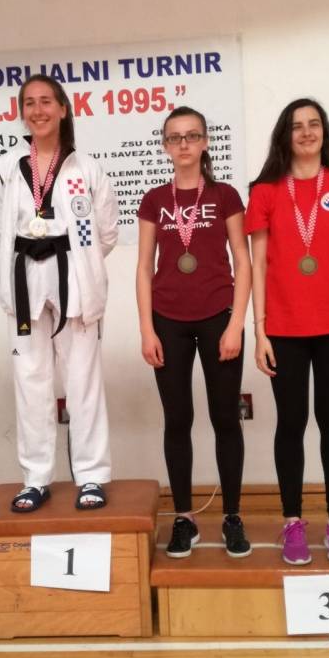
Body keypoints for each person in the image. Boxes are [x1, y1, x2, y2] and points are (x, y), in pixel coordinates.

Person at [0, 75, 119, 513]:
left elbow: (105, 233)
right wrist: (34, 254)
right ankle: (36, 477)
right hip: (25, 275)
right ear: (21, 112)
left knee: (83, 380)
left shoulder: (86, 168)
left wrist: (78, 262)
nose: (38, 110)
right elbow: (0, 228)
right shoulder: (7, 167)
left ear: (63, 109)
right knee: (30, 381)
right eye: (30, 103)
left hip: (74, 277)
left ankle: (92, 475)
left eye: (46, 101)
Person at [244, 98, 329, 565]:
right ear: (285, 135)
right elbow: (257, 265)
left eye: (314, 124)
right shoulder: (265, 191)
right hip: (284, 329)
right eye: (297, 126)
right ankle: (292, 522)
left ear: (324, 132)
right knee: (290, 424)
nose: (307, 132)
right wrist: (260, 331)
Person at [136, 106, 253, 559]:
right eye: (175, 137)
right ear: (165, 146)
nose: (183, 144)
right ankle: (184, 518)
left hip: (219, 317)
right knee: (177, 420)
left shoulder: (225, 195)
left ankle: (232, 516)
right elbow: (144, 267)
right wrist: (147, 329)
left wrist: (236, 323)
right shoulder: (154, 200)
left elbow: (242, 261)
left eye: (191, 136)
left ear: (205, 142)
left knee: (225, 419)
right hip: (168, 320)